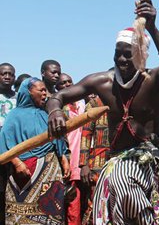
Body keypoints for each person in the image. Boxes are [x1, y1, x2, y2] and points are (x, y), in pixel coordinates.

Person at [46, 0, 159, 224]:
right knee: (113, 198)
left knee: (124, 180)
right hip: (117, 158)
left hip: (150, 157)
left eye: (128, 54)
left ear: (141, 55)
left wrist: (152, 29)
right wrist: (55, 112)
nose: (121, 59)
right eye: (117, 53)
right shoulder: (101, 82)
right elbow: (58, 96)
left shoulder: (154, 80)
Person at [0, 78, 70, 225]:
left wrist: (63, 158)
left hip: (50, 170)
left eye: (45, 90)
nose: (45, 93)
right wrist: (17, 163)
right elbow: (5, 143)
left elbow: (56, 138)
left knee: (50, 212)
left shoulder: (45, 114)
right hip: (24, 172)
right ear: (28, 92)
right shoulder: (14, 116)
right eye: (41, 90)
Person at [57, 73, 86, 225]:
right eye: (63, 83)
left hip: (82, 161)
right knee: (67, 202)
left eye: (70, 82)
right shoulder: (59, 110)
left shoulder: (82, 105)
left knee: (78, 203)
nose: (67, 85)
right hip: (67, 160)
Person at [79, 95, 110, 225]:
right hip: (99, 160)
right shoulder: (94, 104)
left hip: (122, 159)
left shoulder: (128, 102)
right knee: (96, 201)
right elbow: (86, 134)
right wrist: (83, 164)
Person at [0, 63, 16, 224]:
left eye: (10, 74)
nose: (7, 76)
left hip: (13, 150)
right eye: (3, 74)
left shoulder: (18, 98)